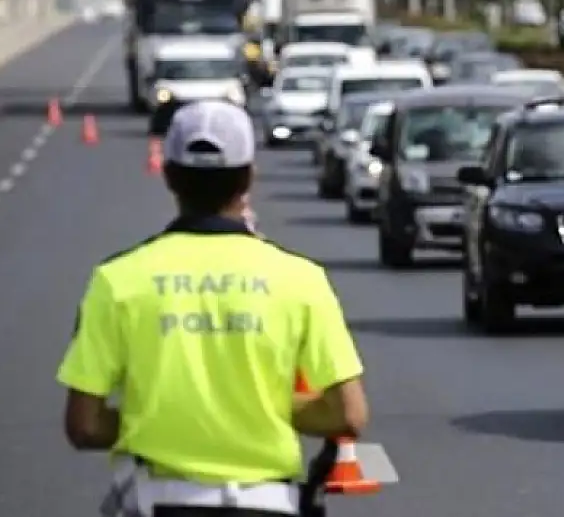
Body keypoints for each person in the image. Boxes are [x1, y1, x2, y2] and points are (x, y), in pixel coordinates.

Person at [56, 100, 369, 517]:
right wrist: (260, 407)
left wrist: (158, 417)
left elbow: (84, 425)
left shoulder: (117, 280)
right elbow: (348, 414)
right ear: (249, 178)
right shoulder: (301, 279)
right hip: (268, 504)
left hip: (158, 502)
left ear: (168, 176)